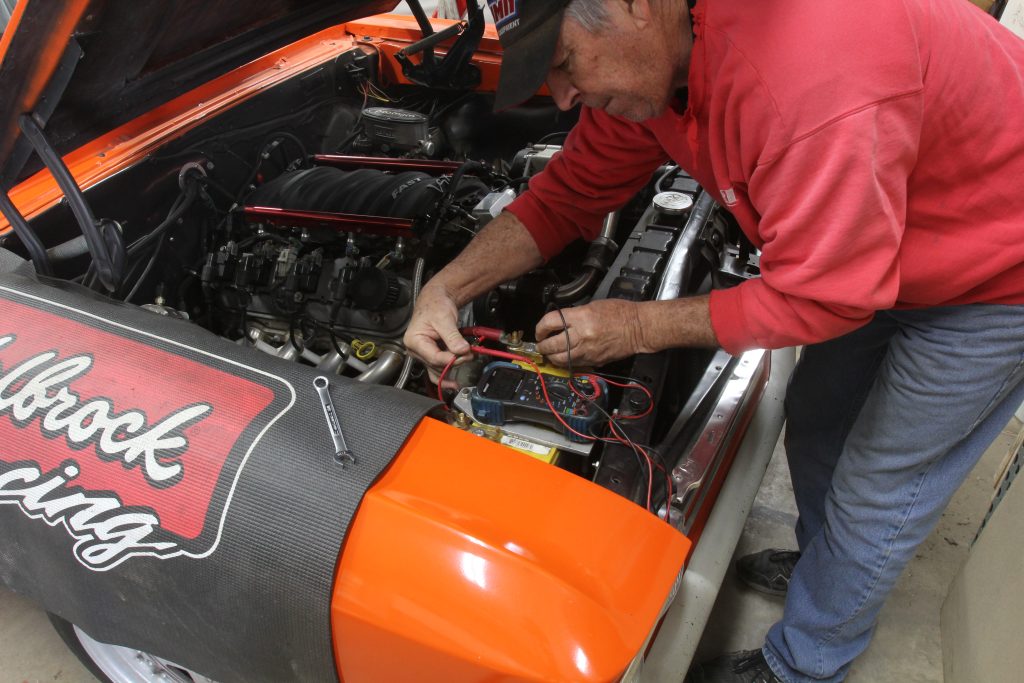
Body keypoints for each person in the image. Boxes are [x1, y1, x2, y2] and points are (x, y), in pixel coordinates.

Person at [404, 0, 1024, 680]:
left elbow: (826, 296)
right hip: (885, 236)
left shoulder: (808, 80)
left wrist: (635, 324)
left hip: (998, 272)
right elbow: (570, 192)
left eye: (563, 63)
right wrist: (448, 287)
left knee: (881, 486)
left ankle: (806, 662)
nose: (562, 95)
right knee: (818, 423)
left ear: (634, 6)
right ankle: (832, 567)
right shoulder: (666, 64)